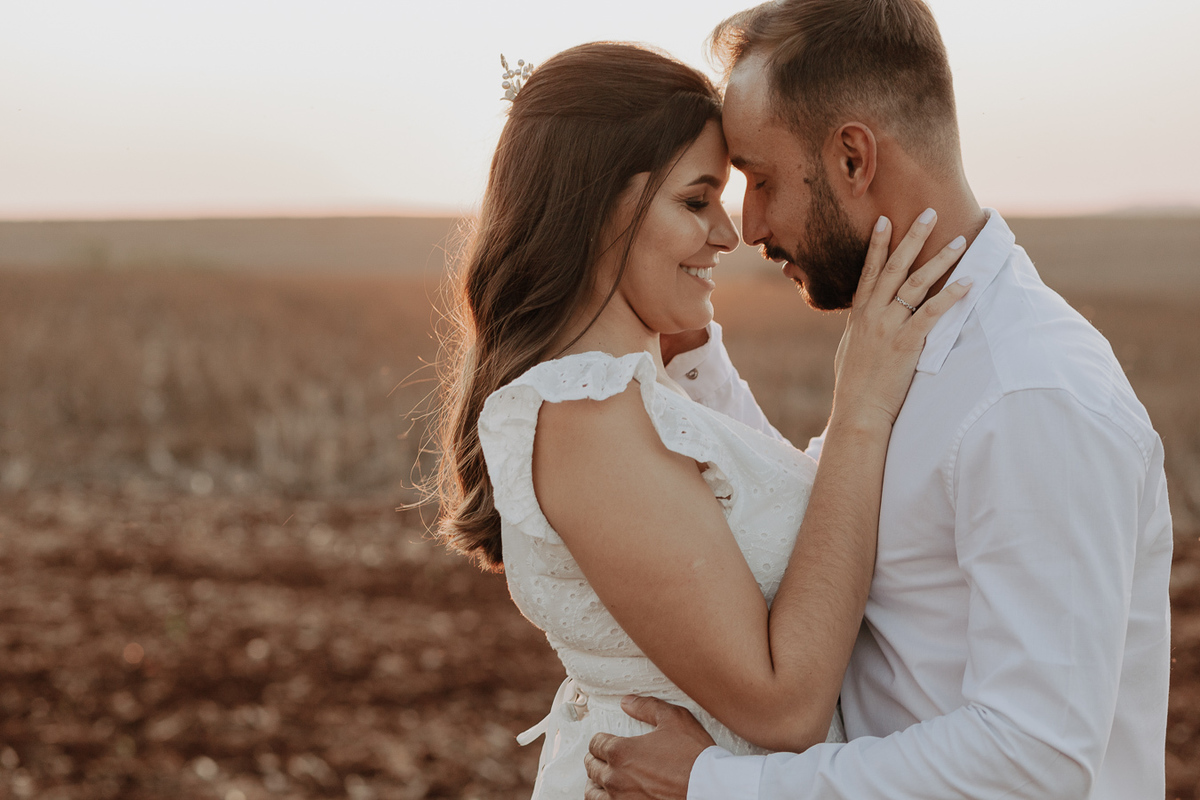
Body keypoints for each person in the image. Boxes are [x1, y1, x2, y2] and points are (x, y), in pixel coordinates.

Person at [583, 2, 1174, 799]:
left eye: (760, 179)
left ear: (853, 159)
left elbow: (1035, 761)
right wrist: (693, 353)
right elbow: (813, 522)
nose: (749, 224)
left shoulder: (1030, 395)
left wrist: (720, 787)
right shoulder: (908, 340)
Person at [432, 41, 971, 797]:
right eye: (696, 201)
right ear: (598, 212)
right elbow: (782, 706)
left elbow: (759, 522)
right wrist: (860, 409)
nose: (729, 233)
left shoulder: (629, 397)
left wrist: (694, 358)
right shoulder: (588, 419)